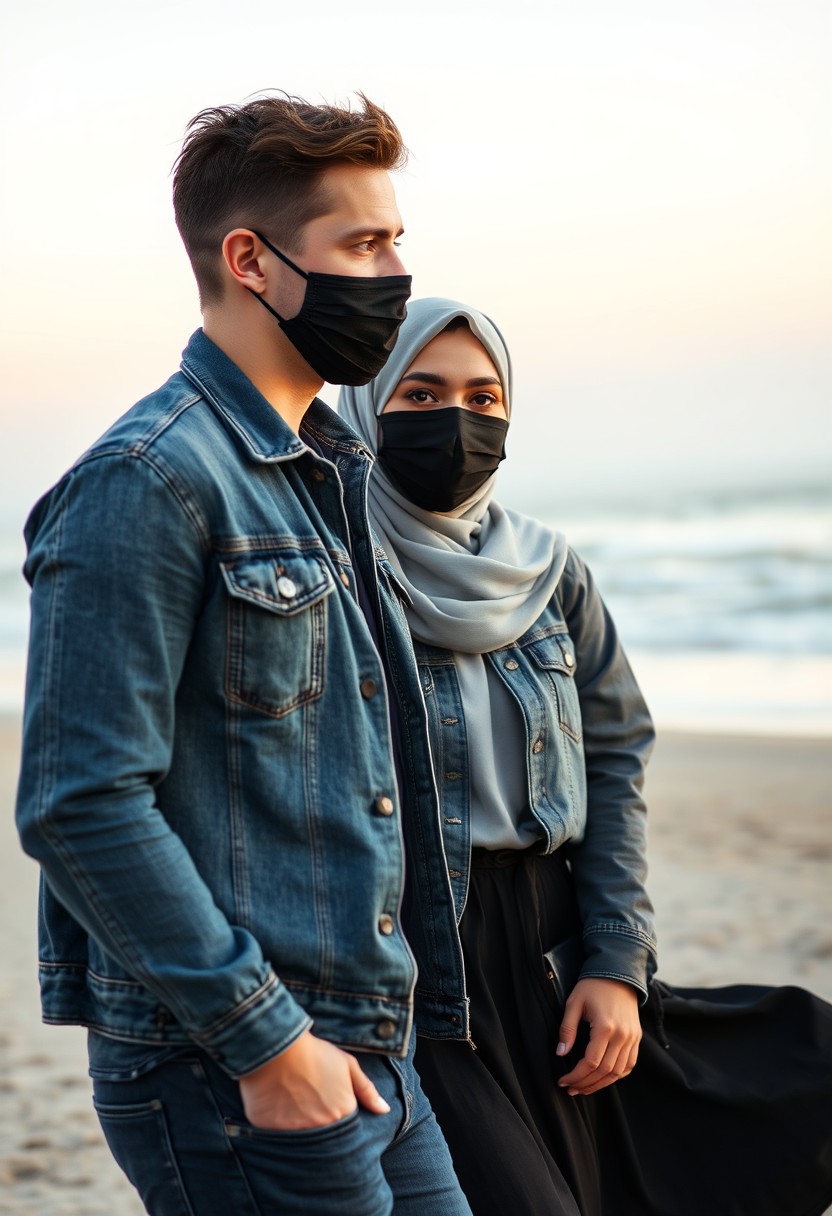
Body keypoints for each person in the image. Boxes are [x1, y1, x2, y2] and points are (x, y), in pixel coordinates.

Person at [14, 99, 473, 1216]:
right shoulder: (147, 479)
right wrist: (268, 1046)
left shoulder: (325, 467)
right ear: (249, 261)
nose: (397, 273)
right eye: (364, 244)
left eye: (397, 240)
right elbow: (79, 801)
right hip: (235, 1067)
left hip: (368, 1045)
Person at [339, 297, 832, 1216]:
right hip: (408, 963)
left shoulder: (549, 568)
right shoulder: (327, 570)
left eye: (486, 398)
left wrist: (614, 966)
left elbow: (614, 758)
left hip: (552, 952)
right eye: (421, 393)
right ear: (366, 408)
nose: (460, 420)